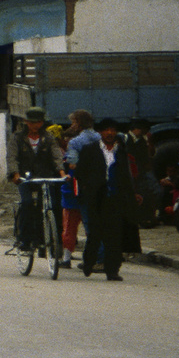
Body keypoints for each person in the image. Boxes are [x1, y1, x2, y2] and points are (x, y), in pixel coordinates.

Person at [76, 117, 141, 281]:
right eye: (106, 130)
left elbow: (126, 175)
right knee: (95, 233)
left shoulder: (121, 151)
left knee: (115, 235)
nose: (110, 133)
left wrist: (132, 194)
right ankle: (89, 262)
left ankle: (112, 270)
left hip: (115, 198)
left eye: (113, 130)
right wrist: (87, 189)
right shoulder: (89, 149)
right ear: (100, 132)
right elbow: (80, 173)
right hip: (96, 197)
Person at [5, 106, 64, 254]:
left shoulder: (48, 137)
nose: (35, 126)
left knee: (54, 205)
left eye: (38, 122)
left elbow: (56, 155)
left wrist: (62, 172)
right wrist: (15, 174)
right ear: (26, 122)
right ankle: (24, 240)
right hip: (25, 178)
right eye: (32, 123)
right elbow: (12, 157)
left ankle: (51, 240)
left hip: (45, 176)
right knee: (28, 203)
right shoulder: (17, 137)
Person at [60, 109, 99, 264]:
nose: (72, 125)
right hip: (94, 187)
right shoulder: (99, 138)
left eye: (74, 122)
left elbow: (72, 164)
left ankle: (67, 257)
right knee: (92, 224)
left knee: (69, 225)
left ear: (78, 123)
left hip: (74, 188)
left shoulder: (75, 143)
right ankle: (94, 256)